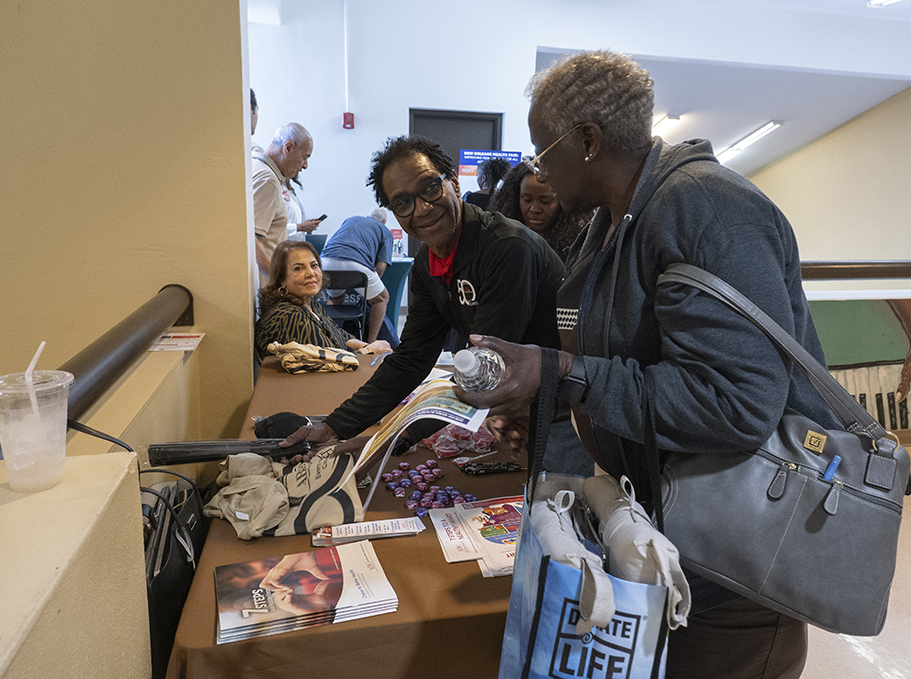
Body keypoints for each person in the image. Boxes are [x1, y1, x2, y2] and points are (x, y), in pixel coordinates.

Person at [456, 50, 840, 679]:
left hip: (734, 571)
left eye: (540, 149)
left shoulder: (706, 208)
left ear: (586, 140)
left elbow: (735, 403)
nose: (537, 169)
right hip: (672, 544)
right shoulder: (615, 222)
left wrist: (562, 374)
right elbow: (623, 361)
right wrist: (554, 404)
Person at [282, 136, 564, 471]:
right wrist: (333, 427)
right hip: (515, 407)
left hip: (563, 410)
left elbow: (486, 370)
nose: (422, 208)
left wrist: (390, 439)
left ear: (454, 184)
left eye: (430, 188)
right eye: (402, 203)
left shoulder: (508, 248)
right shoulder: (427, 264)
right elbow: (412, 359)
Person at [255, 240, 391, 359]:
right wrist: (369, 350)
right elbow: (330, 362)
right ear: (282, 280)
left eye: (314, 265)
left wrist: (367, 345)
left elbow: (340, 336)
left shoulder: (309, 304)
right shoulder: (289, 317)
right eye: (298, 268)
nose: (311, 273)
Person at [320, 208, 397, 346]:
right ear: (384, 222)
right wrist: (368, 291)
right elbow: (380, 266)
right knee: (382, 299)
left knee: (335, 298)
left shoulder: (351, 219)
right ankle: (370, 344)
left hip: (325, 261)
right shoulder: (385, 231)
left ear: (368, 216)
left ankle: (328, 340)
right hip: (356, 264)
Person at [489, 159, 592, 261]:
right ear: (515, 198)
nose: (535, 209)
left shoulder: (578, 247)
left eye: (546, 201)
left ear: (563, 200)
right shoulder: (500, 241)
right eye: (527, 200)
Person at [253, 123, 313, 283]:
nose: (305, 165)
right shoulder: (268, 180)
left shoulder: (256, 167)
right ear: (288, 147)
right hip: (265, 284)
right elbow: (250, 239)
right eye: (305, 157)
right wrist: (280, 282)